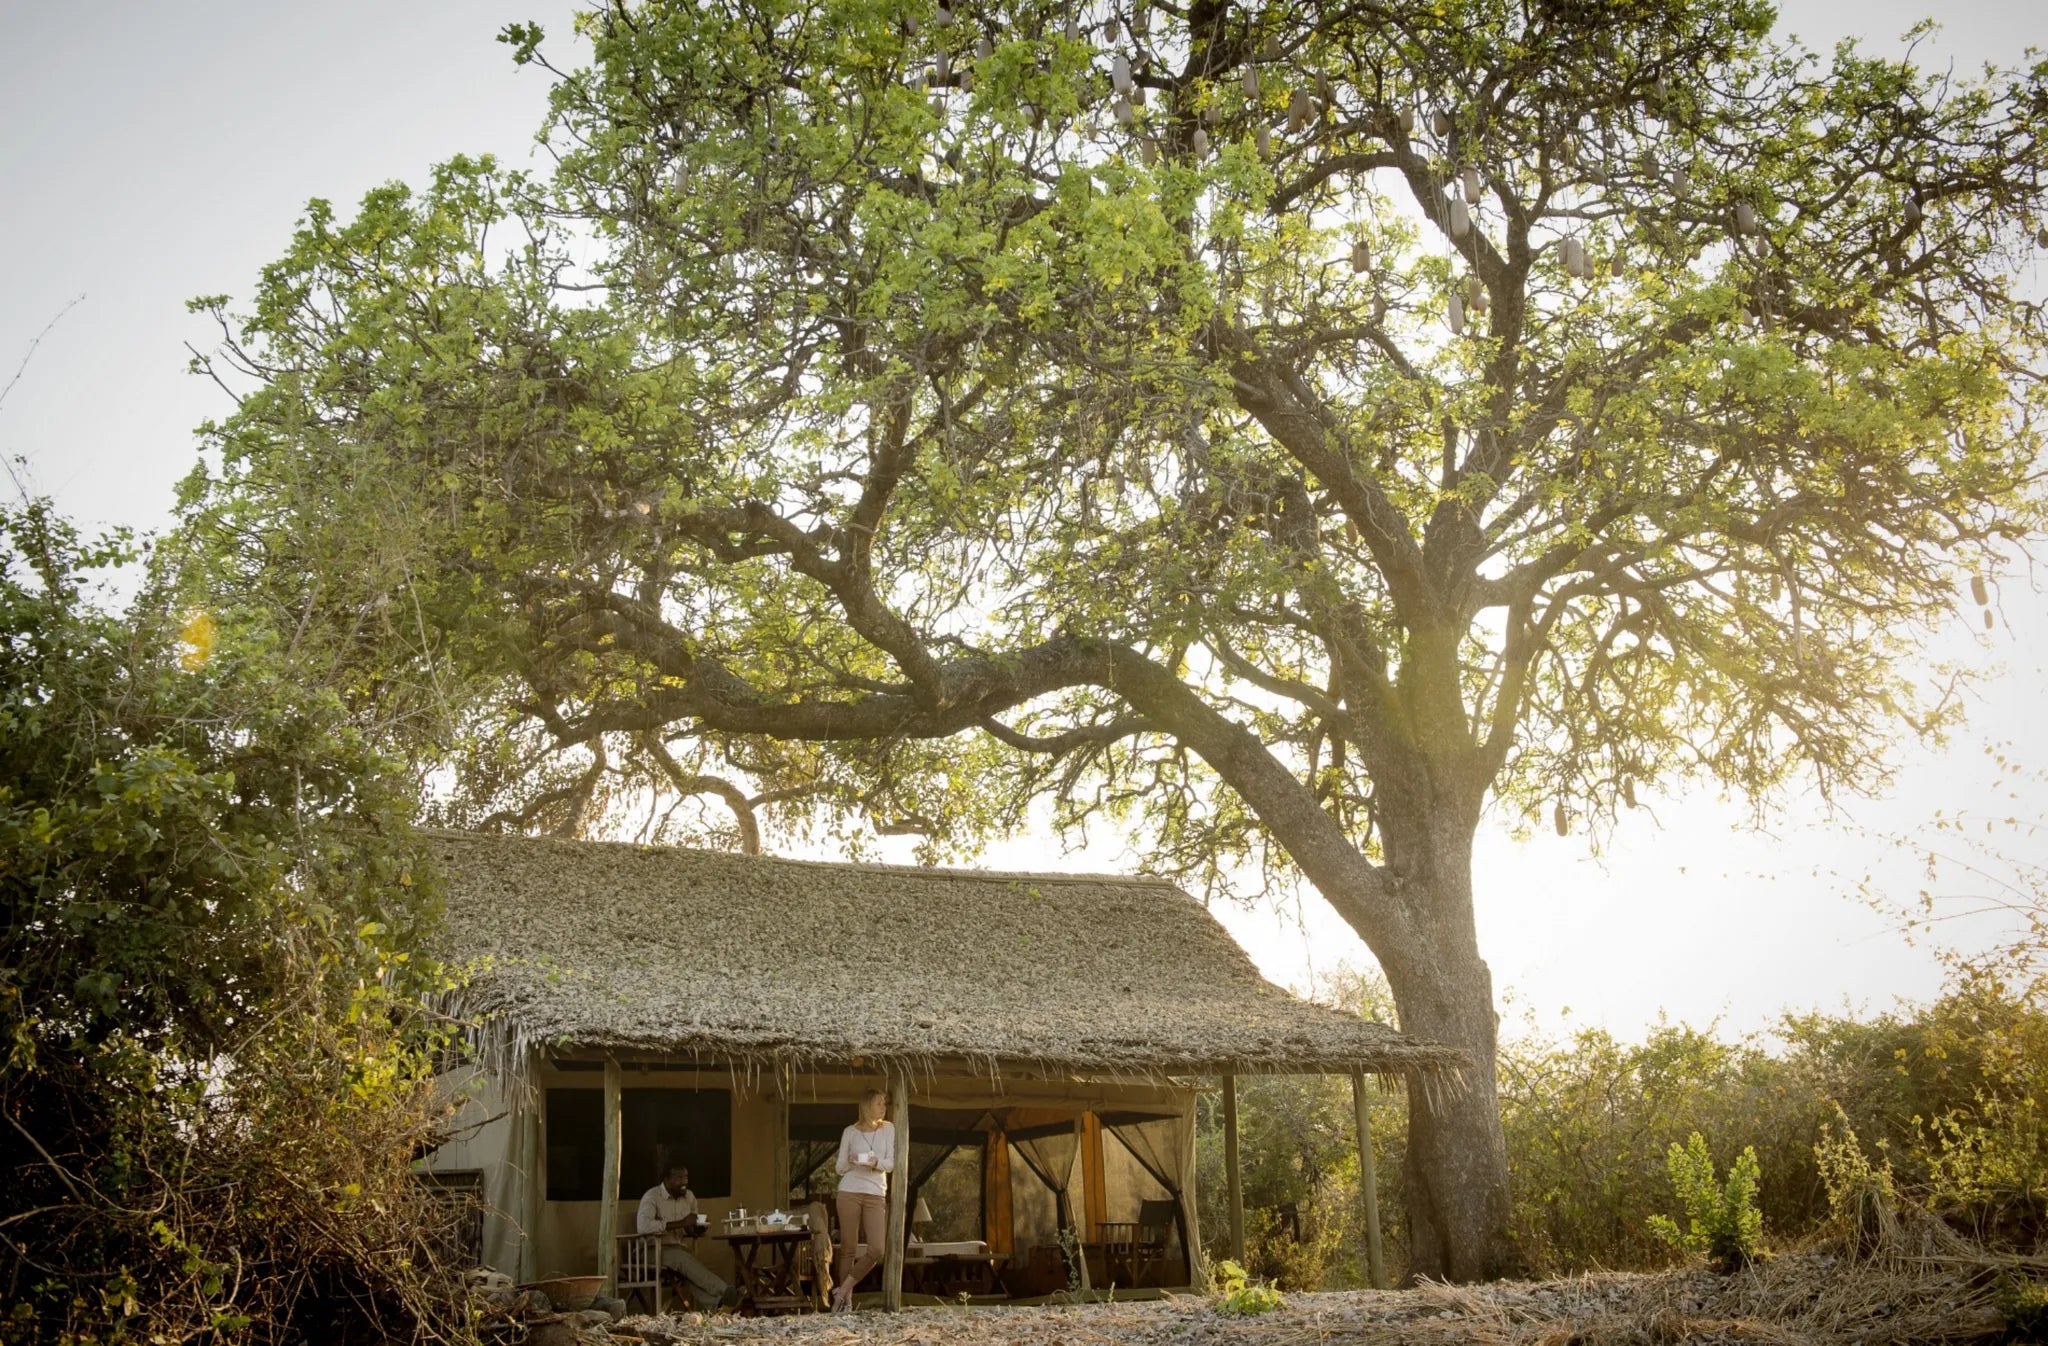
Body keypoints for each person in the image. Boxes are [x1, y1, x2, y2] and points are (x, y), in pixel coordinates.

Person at [635, 1164, 742, 1311]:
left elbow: (689, 1228)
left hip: (677, 1249)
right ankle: (724, 1291)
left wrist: (696, 1229)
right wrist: (681, 1222)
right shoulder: (652, 1196)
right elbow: (643, 1226)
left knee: (688, 1270)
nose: (683, 1182)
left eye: (685, 1177)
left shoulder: (689, 1197)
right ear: (666, 1179)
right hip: (651, 1250)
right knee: (683, 1260)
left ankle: (717, 1305)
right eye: (678, 1178)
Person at [830, 1088, 896, 1312]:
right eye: (879, 1103)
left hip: (876, 1192)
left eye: (884, 1104)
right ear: (867, 1106)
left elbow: (890, 1164)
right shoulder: (850, 1131)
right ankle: (845, 1303)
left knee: (877, 1249)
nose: (884, 1107)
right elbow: (839, 1168)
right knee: (848, 1247)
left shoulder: (888, 1129)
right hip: (849, 1191)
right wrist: (852, 1161)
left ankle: (843, 1288)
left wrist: (874, 1162)